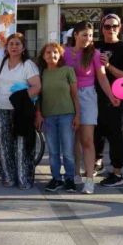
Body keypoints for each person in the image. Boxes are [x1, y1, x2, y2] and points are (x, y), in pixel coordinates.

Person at [64, 21, 120, 194]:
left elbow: (102, 78)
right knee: (72, 139)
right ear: (75, 35)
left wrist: (111, 96)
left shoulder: (95, 54)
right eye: (84, 35)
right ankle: (74, 173)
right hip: (67, 96)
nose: (88, 38)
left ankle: (89, 179)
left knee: (87, 139)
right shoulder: (64, 52)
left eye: (90, 35)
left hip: (87, 96)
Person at [0, 32, 40, 189]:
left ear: (23, 47)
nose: (14, 47)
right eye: (11, 44)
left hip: (21, 110)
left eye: (17, 44)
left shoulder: (28, 65)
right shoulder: (1, 62)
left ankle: (24, 179)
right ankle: (8, 177)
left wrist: (20, 98)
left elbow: (37, 86)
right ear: (6, 47)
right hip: (1, 108)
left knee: (21, 145)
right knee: (4, 144)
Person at [94, 14, 123, 187]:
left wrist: (109, 66)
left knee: (114, 134)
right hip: (95, 94)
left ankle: (117, 172)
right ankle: (97, 161)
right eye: (107, 26)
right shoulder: (96, 46)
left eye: (114, 26)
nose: (111, 29)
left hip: (116, 97)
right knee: (95, 131)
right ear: (102, 28)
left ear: (120, 28)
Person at [35, 42, 79, 192]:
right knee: (53, 151)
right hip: (48, 116)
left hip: (67, 115)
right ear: (43, 56)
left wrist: (77, 115)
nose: (51, 55)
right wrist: (39, 113)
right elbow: (38, 97)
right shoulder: (41, 74)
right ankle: (56, 178)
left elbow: (75, 95)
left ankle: (70, 179)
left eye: (55, 52)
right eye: (48, 52)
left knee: (67, 151)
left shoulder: (68, 70)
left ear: (60, 55)